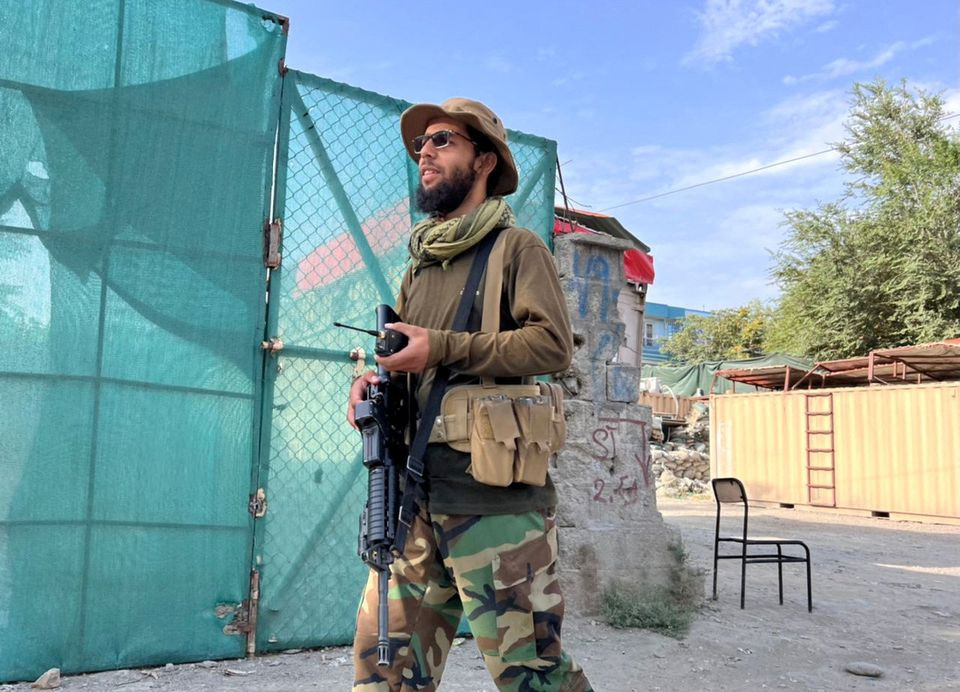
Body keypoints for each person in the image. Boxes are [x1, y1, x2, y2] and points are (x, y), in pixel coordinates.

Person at [347, 97, 591, 692]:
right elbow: (416, 362)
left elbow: (552, 347)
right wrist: (376, 386)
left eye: (442, 141)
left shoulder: (517, 249)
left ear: (484, 160)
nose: (424, 153)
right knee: (384, 668)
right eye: (420, 145)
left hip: (495, 505)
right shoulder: (421, 266)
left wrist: (442, 347)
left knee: (531, 672)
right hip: (413, 495)